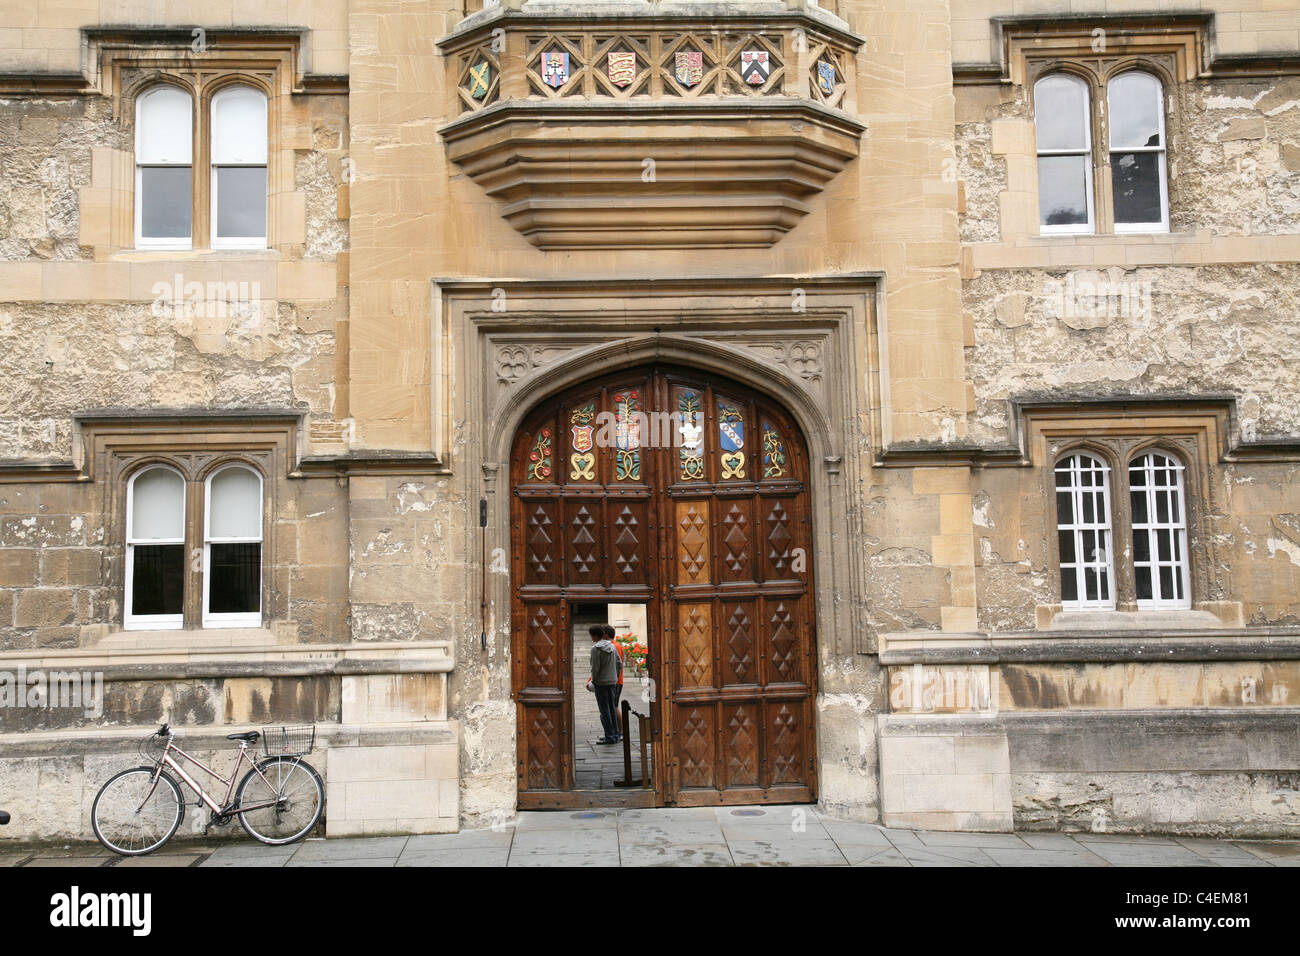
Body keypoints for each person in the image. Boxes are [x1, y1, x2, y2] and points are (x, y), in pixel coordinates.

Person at [588, 623, 622, 744]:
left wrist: (593, 681)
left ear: (594, 635)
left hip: (601, 683)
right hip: (612, 682)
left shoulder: (595, 649)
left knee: (605, 710)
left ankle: (610, 736)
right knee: (612, 708)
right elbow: (619, 664)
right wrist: (614, 676)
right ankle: (615, 734)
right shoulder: (612, 646)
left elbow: (595, 668)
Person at [605, 623, 625, 739]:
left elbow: (616, 664)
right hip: (615, 679)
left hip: (616, 680)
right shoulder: (614, 645)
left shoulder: (614, 646)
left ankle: (620, 732)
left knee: (614, 706)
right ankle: (617, 731)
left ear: (606, 635)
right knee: (613, 705)